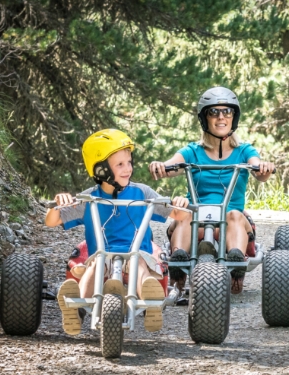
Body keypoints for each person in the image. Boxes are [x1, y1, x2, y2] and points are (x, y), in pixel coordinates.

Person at [46, 129, 190, 335]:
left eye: (129, 162)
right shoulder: (89, 198)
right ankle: (76, 310)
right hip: (102, 255)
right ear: (101, 169)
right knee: (95, 266)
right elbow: (52, 221)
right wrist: (57, 205)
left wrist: (180, 203)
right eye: (120, 164)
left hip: (137, 254)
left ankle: (151, 304)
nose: (128, 169)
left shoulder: (142, 193)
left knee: (138, 264)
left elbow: (178, 215)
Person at [149, 87, 274, 294]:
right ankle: (178, 264)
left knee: (233, 214)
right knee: (186, 214)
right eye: (214, 112)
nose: (221, 117)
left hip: (231, 221)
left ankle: (236, 267)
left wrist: (264, 168)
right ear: (204, 118)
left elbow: (258, 170)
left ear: (234, 117)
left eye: (227, 112)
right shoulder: (192, 152)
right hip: (197, 220)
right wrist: (161, 166)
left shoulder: (245, 151)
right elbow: (171, 166)